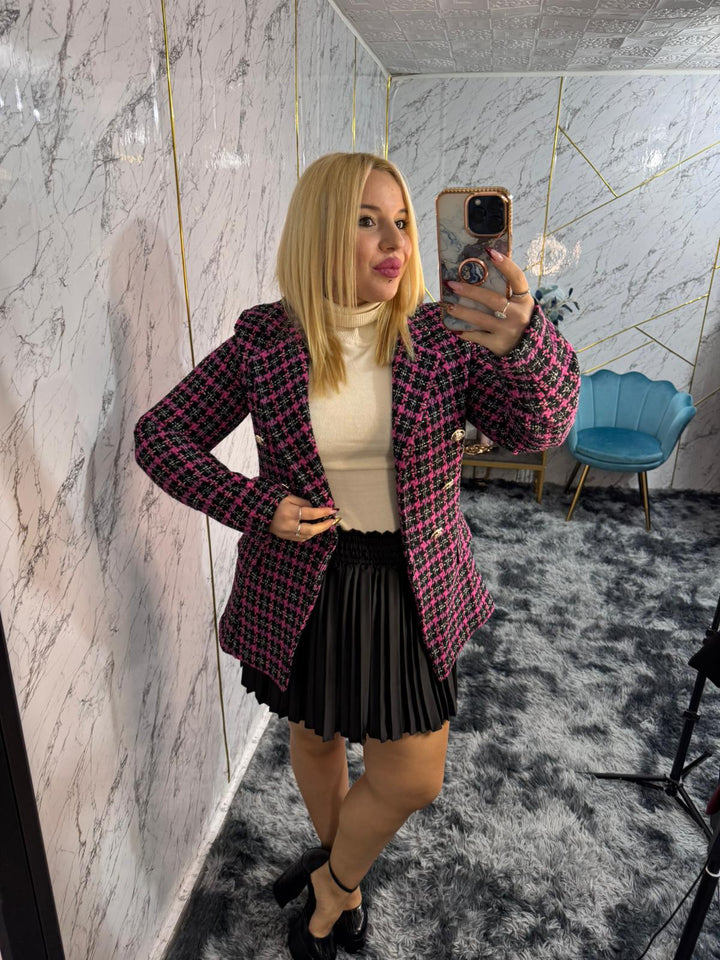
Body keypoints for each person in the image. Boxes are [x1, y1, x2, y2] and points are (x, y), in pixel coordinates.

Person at [134, 152, 579, 960]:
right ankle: (349, 881)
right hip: (306, 578)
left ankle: (333, 881)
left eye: (402, 221)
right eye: (367, 221)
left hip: (412, 581)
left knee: (413, 775)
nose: (395, 242)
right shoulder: (266, 340)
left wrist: (526, 343)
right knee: (315, 739)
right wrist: (255, 506)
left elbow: (539, 429)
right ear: (318, 233)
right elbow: (160, 436)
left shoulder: (443, 337)